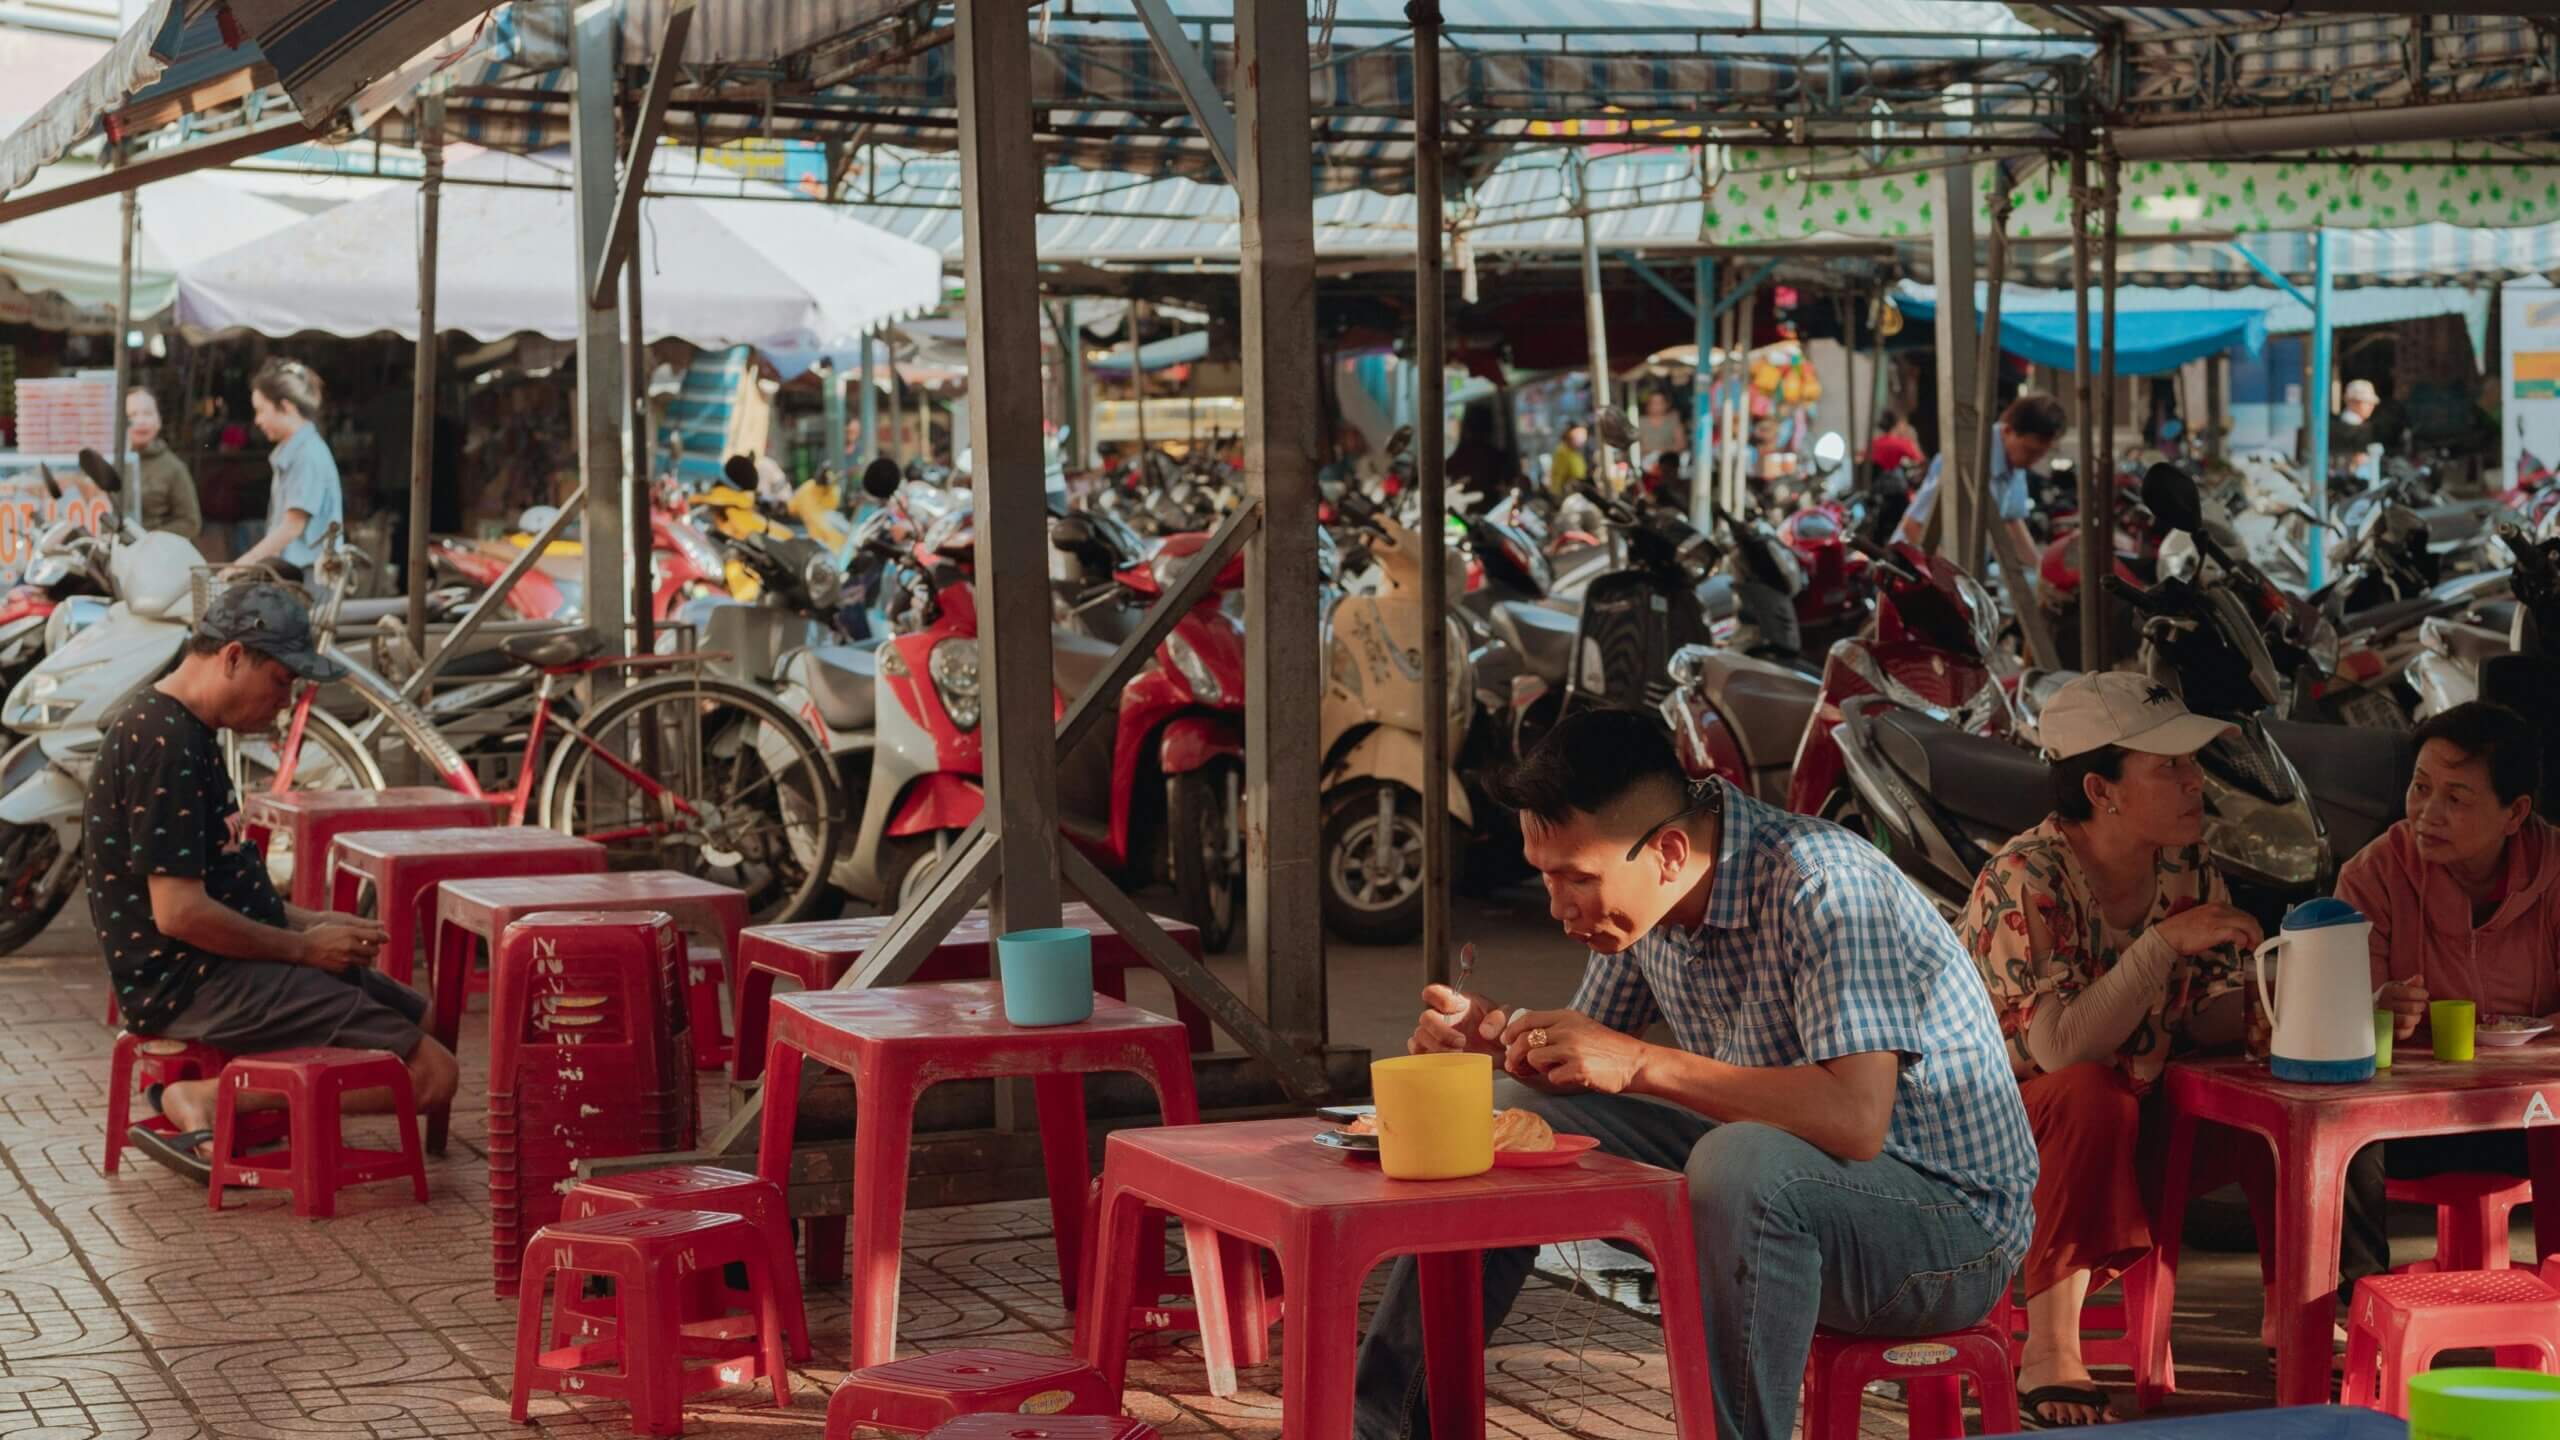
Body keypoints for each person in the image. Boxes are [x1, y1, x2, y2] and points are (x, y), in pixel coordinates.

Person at [1358, 708, 2038, 1440]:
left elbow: (1854, 1119)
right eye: (1545, 878)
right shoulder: (1646, 903)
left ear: (1670, 853)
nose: (1558, 908)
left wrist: (1641, 1062)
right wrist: (1499, 1042)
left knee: (1741, 1164)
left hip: (1948, 1230)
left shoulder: (1824, 884)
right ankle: (1386, 1425)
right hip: (1780, 1175)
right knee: (1510, 1117)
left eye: (1576, 879)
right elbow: (1594, 1065)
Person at [1957, 672, 2275, 1427]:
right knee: (2091, 1094)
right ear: (2100, 789)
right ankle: (2050, 1352)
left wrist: (2293, 999)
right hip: (2009, 1139)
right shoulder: (2026, 876)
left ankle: (2294, 1319)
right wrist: (2164, 944)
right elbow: (2060, 1049)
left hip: (2133, 1113)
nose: (2196, 780)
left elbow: (2207, 1019)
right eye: (2170, 766)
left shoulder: (2187, 865)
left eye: (2192, 762)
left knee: (2279, 1110)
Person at [90, 583, 458, 1179]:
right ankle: (210, 1098)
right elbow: (179, 914)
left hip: (225, 964)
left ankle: (254, 1094)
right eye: (281, 681)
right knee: (434, 1074)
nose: (285, 702)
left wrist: (314, 923)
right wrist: (305, 948)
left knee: (427, 1021)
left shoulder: (190, 730)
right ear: (233, 657)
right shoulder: (163, 739)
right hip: (191, 983)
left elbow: (221, 892)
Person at [2336, 702, 2560, 1300]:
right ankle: (2351, 1310)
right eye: (2420, 787)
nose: (2427, 814)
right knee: (2342, 1129)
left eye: (2456, 799)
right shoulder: (2374, 874)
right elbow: (2340, 1018)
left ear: (2514, 813)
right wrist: (2377, 1004)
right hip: (2410, 1125)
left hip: (2529, 1114)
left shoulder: (2557, 871)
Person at [1898, 394, 2068, 564]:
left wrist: (2040, 571)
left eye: (2040, 454)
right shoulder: (1968, 456)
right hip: (1914, 571)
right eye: (2030, 451)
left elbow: (2012, 520)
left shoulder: (2015, 462)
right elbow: (1913, 526)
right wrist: (1950, 580)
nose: (2033, 461)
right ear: (2007, 430)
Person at [236, 358, 344, 581]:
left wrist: (244, 563)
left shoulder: (308, 454)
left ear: (286, 407)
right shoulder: (294, 451)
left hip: (310, 579)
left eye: (261, 411)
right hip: (295, 575)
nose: (257, 420)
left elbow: (293, 526)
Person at [125, 389, 202, 540]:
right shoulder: (110, 461)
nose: (141, 421)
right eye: (132, 415)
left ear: (158, 421)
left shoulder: (173, 467)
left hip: (154, 554)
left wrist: (150, 537)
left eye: (147, 413)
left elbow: (191, 523)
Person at [1638, 390, 1689, 470]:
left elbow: (1681, 444)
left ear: (1666, 404)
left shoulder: (1673, 421)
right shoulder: (1640, 422)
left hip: (1669, 461)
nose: (1657, 406)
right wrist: (1654, 453)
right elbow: (1638, 447)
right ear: (1648, 405)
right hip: (1646, 462)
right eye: (1654, 403)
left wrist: (1663, 452)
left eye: (1660, 403)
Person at [1869, 409, 1924, 474]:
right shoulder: (1901, 443)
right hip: (1892, 480)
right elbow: (1920, 459)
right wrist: (1912, 439)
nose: (1906, 428)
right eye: (1905, 424)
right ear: (1898, 425)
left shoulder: (1875, 443)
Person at [1548, 422, 1591, 495]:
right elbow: (1558, 479)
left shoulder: (1575, 452)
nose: (1583, 439)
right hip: (1567, 495)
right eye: (1580, 435)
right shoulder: (1563, 453)